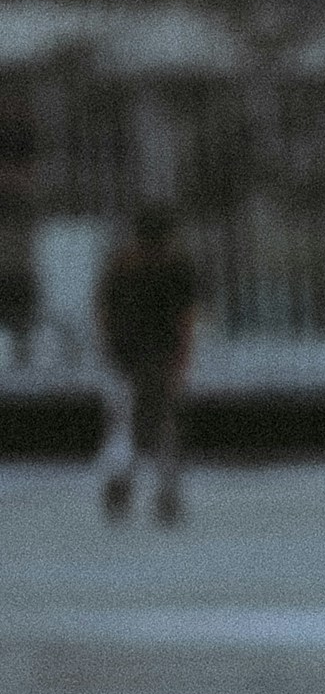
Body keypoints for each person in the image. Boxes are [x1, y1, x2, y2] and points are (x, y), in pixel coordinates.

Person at [96, 208, 199, 525]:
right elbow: (185, 319)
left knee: (133, 422)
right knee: (158, 423)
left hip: (129, 354)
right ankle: (159, 491)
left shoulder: (122, 266)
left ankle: (127, 486)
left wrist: (109, 348)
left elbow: (104, 311)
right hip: (156, 354)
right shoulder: (175, 269)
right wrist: (181, 359)